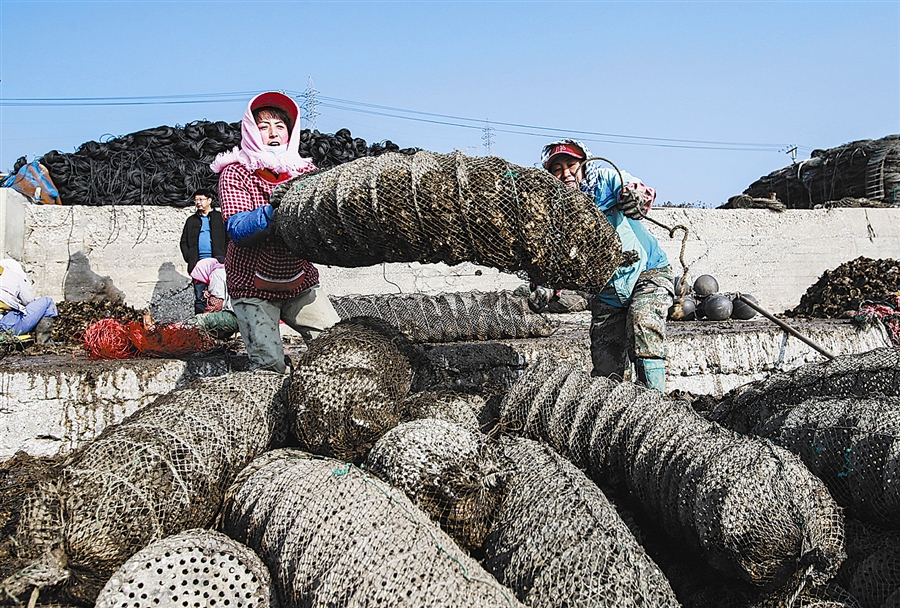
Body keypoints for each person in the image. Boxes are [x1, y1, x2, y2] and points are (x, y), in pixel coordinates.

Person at [211, 91, 340, 374]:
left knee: (338, 347)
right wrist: (277, 210)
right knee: (269, 365)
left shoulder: (306, 173)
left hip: (299, 282)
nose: (273, 133)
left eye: (280, 126)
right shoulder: (235, 172)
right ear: (250, 130)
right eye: (264, 126)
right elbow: (237, 228)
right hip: (252, 285)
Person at [541, 139, 673, 392]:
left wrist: (636, 197)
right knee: (605, 363)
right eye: (557, 170)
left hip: (647, 274)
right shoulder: (554, 209)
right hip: (606, 290)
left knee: (643, 325)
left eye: (571, 165)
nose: (566, 173)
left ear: (584, 164)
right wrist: (548, 287)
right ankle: (614, 407)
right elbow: (551, 254)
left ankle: (655, 403)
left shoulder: (605, 180)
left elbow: (638, 189)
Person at [180, 189, 229, 314]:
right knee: (199, 296)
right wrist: (189, 256)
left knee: (218, 295)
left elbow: (229, 238)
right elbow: (183, 241)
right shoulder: (191, 220)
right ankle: (200, 327)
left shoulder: (220, 218)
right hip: (198, 264)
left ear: (209, 200)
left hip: (217, 264)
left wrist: (225, 256)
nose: (198, 202)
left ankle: (218, 325)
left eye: (201, 199)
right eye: (196, 200)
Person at [0, 258, 58, 341]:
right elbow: (28, 300)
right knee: (47, 302)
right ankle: (44, 341)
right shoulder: (14, 276)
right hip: (6, 325)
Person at [185, 257, 239, 339]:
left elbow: (216, 304)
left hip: (235, 317)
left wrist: (205, 317)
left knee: (195, 323)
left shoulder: (216, 274)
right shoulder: (226, 270)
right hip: (244, 313)